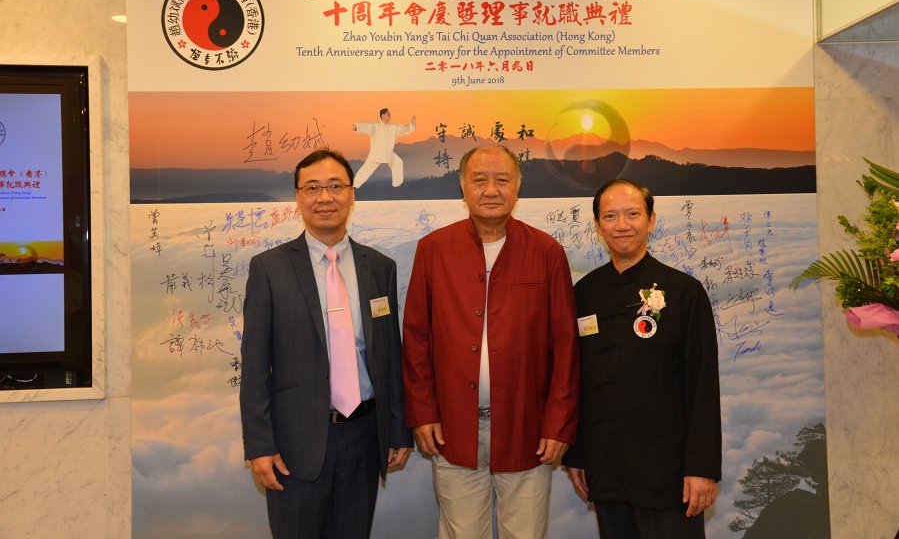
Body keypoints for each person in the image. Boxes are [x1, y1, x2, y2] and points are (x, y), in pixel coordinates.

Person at [402, 144, 580, 539]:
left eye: (502, 179)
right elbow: (416, 337)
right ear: (462, 187)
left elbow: (565, 345)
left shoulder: (546, 251)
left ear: (518, 187)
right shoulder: (433, 249)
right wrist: (422, 413)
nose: (491, 190)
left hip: (527, 429)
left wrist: (558, 424)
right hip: (452, 428)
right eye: (479, 180)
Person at [240, 149, 412, 539]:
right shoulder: (269, 269)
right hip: (294, 443)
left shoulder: (379, 267)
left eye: (336, 186)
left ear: (352, 194)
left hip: (364, 437)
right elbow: (254, 367)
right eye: (313, 188)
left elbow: (388, 355)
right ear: (298, 197)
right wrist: (260, 445)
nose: (325, 197)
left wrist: (397, 430)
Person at [563, 179, 721, 539]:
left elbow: (703, 386)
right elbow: (575, 380)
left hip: (669, 472)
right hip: (607, 466)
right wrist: (578, 455)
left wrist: (702, 468)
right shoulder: (584, 292)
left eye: (633, 214)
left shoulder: (683, 292)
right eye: (610, 216)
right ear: (598, 225)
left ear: (651, 220)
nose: (622, 225)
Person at [352, 108, 416, 188]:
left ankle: (398, 184)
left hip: (388, 153)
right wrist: (356, 127)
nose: (390, 116)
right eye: (388, 114)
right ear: (383, 115)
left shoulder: (393, 127)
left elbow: (404, 129)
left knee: (398, 162)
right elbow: (366, 127)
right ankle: (354, 185)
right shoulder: (375, 126)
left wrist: (412, 125)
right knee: (365, 171)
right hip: (376, 155)